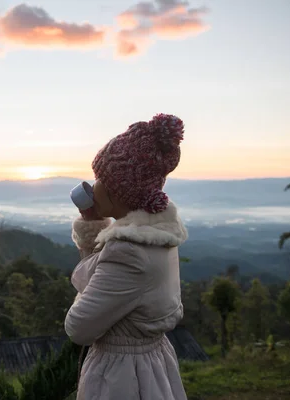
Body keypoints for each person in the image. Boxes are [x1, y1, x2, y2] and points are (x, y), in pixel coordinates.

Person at [64, 113, 188, 400]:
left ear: (118, 191)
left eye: (99, 178)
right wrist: (93, 226)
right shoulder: (156, 235)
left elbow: (78, 327)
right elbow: (102, 279)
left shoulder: (127, 252)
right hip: (152, 365)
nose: (93, 186)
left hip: (122, 377)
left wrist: (85, 291)